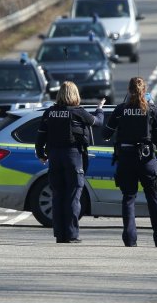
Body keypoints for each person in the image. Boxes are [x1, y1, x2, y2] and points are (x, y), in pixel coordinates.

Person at [35, 82, 105, 244]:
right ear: (75, 94)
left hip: (54, 157)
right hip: (73, 156)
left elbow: (40, 136)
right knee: (73, 196)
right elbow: (98, 122)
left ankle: (60, 235)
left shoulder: (49, 113)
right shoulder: (78, 112)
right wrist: (100, 108)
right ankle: (72, 234)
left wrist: (41, 154)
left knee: (58, 195)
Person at [102, 77, 157, 247]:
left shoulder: (120, 109)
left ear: (129, 90)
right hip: (147, 159)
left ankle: (130, 238)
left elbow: (105, 134)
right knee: (153, 197)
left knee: (128, 198)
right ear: (144, 90)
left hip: (125, 158)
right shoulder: (152, 109)